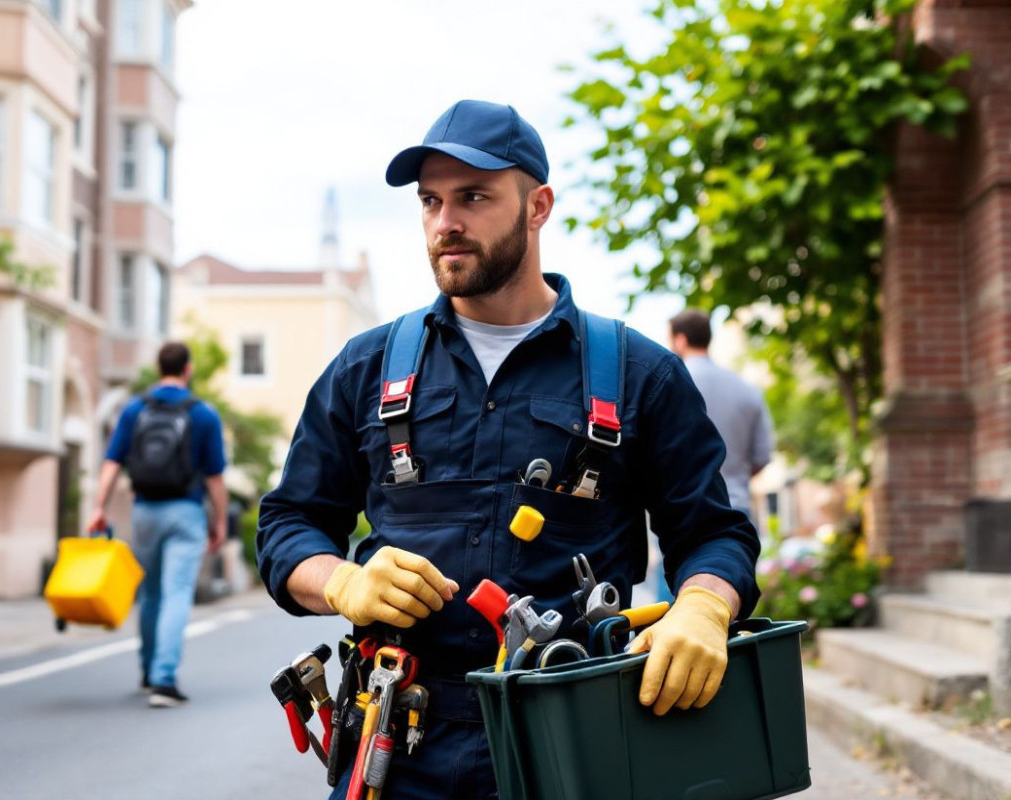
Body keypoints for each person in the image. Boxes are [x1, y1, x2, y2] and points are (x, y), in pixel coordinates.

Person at [256, 99, 761, 798]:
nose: (445, 222)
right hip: (399, 746)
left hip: (578, 733)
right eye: (430, 201)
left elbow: (714, 533)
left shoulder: (639, 374)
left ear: (538, 206)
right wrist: (340, 580)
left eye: (474, 197)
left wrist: (704, 607)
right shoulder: (365, 368)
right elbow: (287, 525)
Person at [89, 342, 228, 708]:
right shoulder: (203, 415)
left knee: (149, 593)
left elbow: (111, 462)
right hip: (185, 512)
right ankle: (164, 681)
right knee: (177, 592)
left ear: (158, 367)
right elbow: (215, 478)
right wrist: (220, 522)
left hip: (145, 511)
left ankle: (148, 670)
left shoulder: (136, 409)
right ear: (188, 368)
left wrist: (98, 507)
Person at [651, 309, 777, 600]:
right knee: (728, 609)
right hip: (737, 510)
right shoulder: (747, 390)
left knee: (669, 619)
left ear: (680, 340)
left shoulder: (667, 383)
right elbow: (761, 457)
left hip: (679, 510)